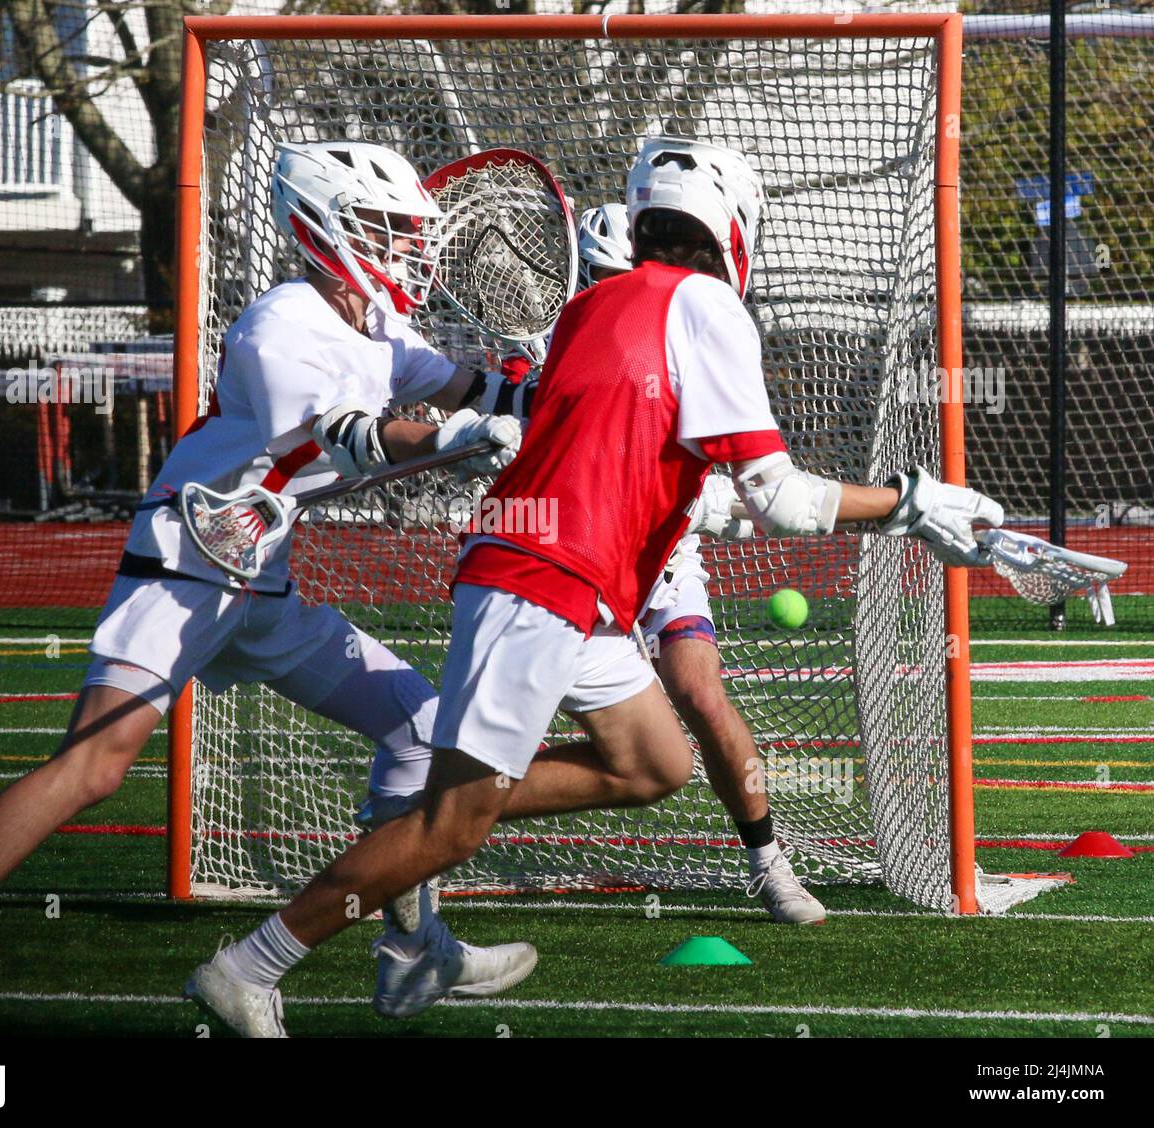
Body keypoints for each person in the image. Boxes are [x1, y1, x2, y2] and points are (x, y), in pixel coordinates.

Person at [183, 136, 1004, 1036]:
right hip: (547, 577)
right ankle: (253, 966)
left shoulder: (593, 306)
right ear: (731, 227)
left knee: (653, 761)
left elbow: (645, 457)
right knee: (457, 826)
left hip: (562, 575)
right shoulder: (710, 306)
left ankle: (421, 805)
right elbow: (785, 499)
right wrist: (915, 503)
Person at [0, 141, 539, 1039]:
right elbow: (348, 438)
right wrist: (461, 430)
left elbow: (480, 390)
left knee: (422, 730)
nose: (409, 252)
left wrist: (541, 377)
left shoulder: (379, 331)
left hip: (263, 576)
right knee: (95, 763)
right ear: (328, 228)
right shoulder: (282, 325)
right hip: (188, 560)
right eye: (388, 231)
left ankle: (414, 945)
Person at [573, 200, 824, 923]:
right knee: (513, 727)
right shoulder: (569, 338)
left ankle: (769, 863)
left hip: (664, 553)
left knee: (703, 697)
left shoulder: (683, 327)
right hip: (579, 555)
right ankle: (428, 830)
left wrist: (716, 502)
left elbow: (711, 443)